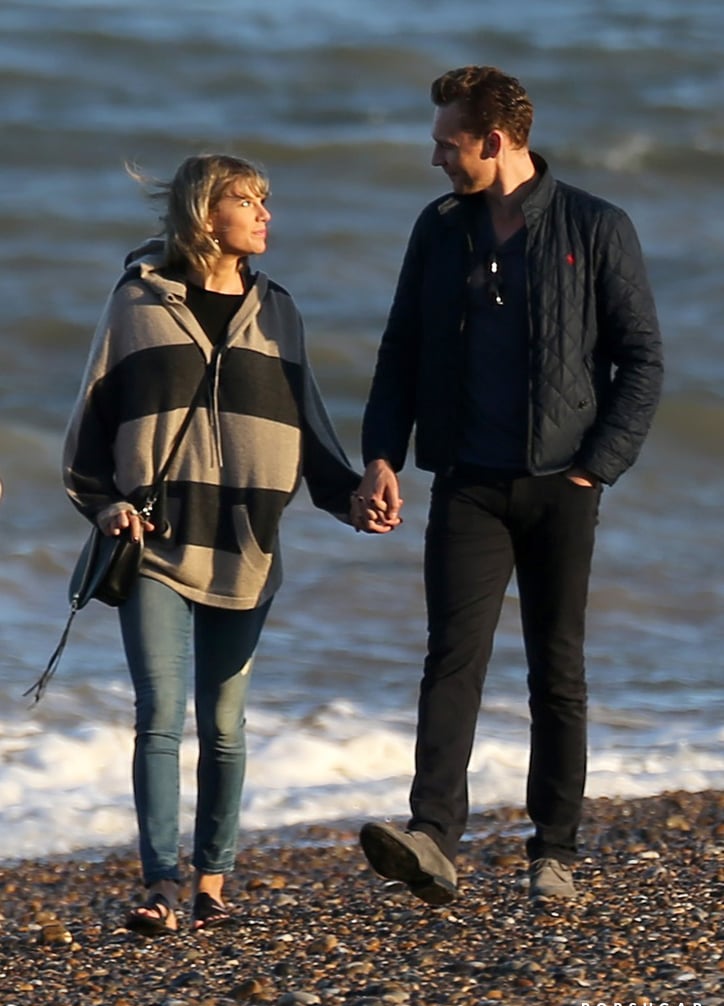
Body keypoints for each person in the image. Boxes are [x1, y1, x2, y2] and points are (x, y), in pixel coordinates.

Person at [352, 65, 663, 903]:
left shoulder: (597, 226)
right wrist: (382, 454)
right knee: (451, 661)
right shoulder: (440, 228)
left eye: (447, 146)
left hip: (565, 483)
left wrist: (599, 464)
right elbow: (400, 352)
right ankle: (432, 838)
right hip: (467, 482)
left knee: (556, 671)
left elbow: (641, 361)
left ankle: (553, 851)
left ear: (495, 142)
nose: (436, 162)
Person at [63, 154, 361, 933]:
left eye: (266, 202)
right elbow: (92, 417)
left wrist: (353, 498)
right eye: (247, 202)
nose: (265, 215)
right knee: (159, 713)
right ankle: (162, 884)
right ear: (205, 214)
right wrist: (101, 506)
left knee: (224, 725)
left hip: (246, 545)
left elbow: (312, 425)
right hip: (157, 540)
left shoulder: (280, 311)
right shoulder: (137, 301)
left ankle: (213, 885)